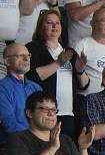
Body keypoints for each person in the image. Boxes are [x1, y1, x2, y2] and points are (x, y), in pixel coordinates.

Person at [26, 10, 89, 139]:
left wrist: (80, 70)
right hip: (45, 113)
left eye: (57, 23)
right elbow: (33, 77)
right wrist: (58, 63)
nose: (55, 26)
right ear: (41, 27)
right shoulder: (33, 48)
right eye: (49, 23)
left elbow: (84, 85)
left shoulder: (69, 51)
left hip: (68, 114)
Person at [72, 8, 105, 98]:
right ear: (92, 23)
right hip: (87, 98)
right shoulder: (82, 45)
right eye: (103, 21)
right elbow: (74, 77)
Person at [0, 43, 42, 144]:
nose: (26, 59)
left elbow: (44, 117)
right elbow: (9, 124)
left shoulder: (36, 87)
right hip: (13, 146)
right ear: (7, 61)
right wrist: (36, 137)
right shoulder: (2, 87)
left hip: (38, 143)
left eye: (28, 55)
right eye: (20, 56)